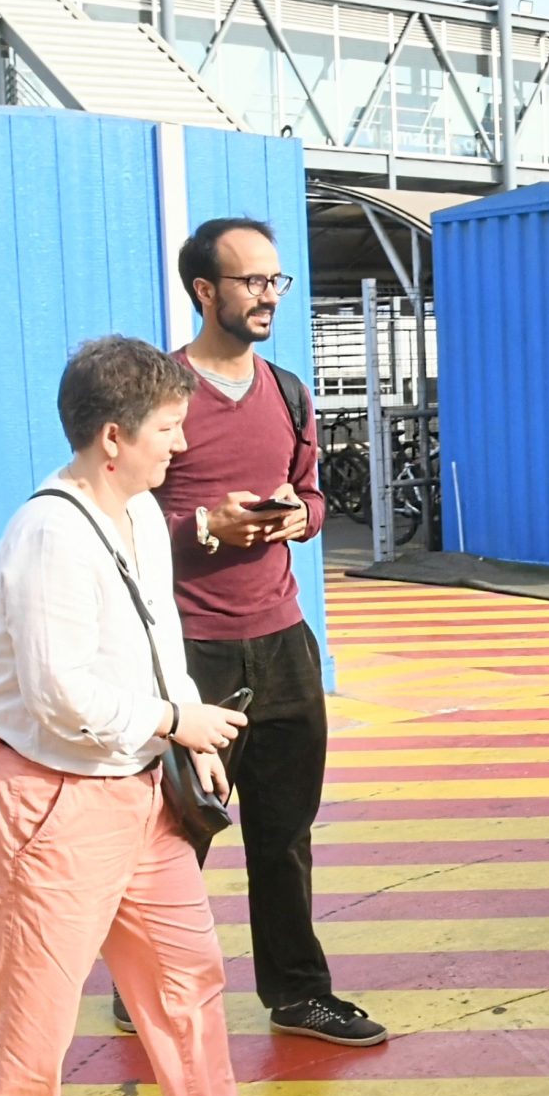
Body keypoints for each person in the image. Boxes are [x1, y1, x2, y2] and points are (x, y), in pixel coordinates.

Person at [0, 334, 329, 1096]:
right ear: (113, 437)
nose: (183, 443)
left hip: (135, 788)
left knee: (185, 973)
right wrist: (175, 721)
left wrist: (186, 730)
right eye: (168, 428)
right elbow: (59, 692)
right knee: (37, 997)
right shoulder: (50, 534)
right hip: (52, 798)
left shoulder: (134, 514)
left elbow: (160, 636)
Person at [140, 216, 385, 1048]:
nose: (268, 295)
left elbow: (312, 493)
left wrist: (295, 517)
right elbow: (124, 517)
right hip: (192, 652)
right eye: (250, 281)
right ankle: (147, 983)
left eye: (275, 280)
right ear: (204, 290)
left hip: (283, 641)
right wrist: (205, 527)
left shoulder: (289, 392)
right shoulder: (160, 392)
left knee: (284, 835)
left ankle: (298, 993)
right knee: (179, 831)